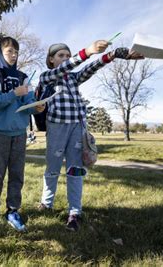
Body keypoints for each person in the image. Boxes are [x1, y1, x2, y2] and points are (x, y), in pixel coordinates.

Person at [37, 41, 143, 232]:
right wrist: (87, 51)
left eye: (68, 56)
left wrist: (112, 55)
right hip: (57, 127)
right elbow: (72, 65)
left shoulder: (74, 78)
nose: (66, 59)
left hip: (77, 128)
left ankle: (75, 212)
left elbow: (90, 68)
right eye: (61, 55)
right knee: (52, 167)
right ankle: (46, 204)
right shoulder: (47, 77)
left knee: (75, 169)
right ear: (51, 60)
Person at [0, 37, 45, 232]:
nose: (13, 55)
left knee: (17, 174)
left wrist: (37, 107)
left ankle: (12, 210)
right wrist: (13, 93)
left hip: (20, 133)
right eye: (9, 51)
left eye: (15, 52)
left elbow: (27, 104)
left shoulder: (23, 76)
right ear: (0, 53)